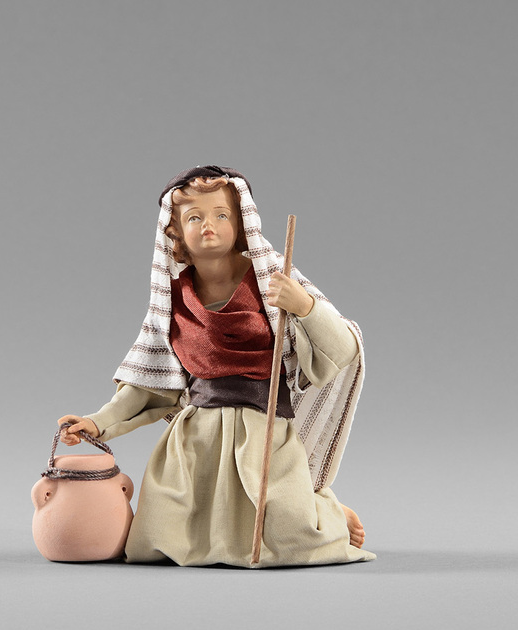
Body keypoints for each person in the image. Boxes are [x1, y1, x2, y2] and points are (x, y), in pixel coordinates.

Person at [59, 165, 375, 568]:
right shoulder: (171, 301)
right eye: (194, 217)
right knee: (156, 539)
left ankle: (326, 512)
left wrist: (304, 306)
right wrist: (97, 422)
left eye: (221, 215)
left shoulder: (273, 278)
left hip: (262, 431)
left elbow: (343, 349)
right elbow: (149, 381)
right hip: (194, 439)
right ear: (176, 231)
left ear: (241, 223)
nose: (208, 225)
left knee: (290, 533)